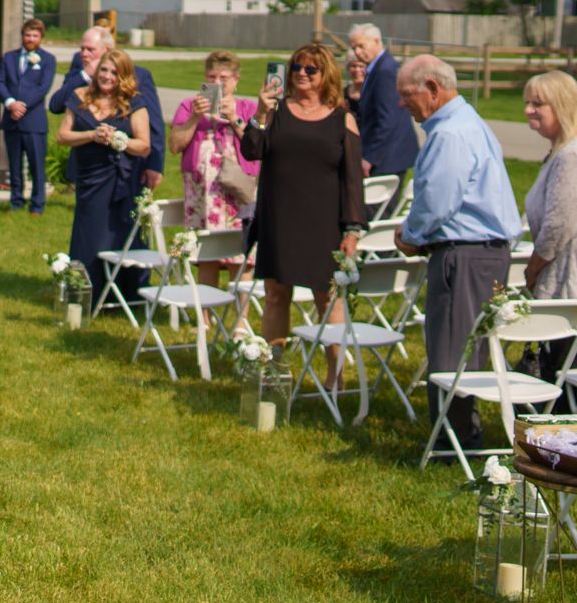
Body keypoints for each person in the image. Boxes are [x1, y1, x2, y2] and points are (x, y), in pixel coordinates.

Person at [396, 54, 522, 449]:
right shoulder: (469, 122)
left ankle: (454, 445)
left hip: (464, 255)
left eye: (407, 94)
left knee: (454, 350)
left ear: (432, 89)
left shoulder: (450, 133)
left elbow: (437, 199)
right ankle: (464, 436)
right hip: (484, 254)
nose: (402, 104)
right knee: (472, 347)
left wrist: (411, 234)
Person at [240, 44, 364, 357]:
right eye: (296, 67)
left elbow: (352, 181)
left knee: (328, 298)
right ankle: (273, 369)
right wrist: (260, 111)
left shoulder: (342, 119)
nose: (301, 75)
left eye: (311, 69)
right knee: (276, 295)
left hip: (323, 225)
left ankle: (335, 377)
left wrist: (352, 230)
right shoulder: (276, 111)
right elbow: (251, 150)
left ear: (327, 75)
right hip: (279, 219)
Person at [57, 49, 152, 301]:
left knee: (117, 234)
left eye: (113, 72)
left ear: (123, 76)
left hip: (120, 181)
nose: (107, 76)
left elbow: (144, 145)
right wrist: (91, 135)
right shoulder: (79, 96)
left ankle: (121, 296)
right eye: (104, 70)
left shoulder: (135, 103)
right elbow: (62, 136)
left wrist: (118, 140)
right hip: (89, 180)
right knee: (88, 236)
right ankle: (85, 293)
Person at [522, 70, 577, 381]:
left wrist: (533, 268)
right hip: (572, 273)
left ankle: (567, 428)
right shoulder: (565, 151)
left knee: (564, 368)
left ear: (561, 105)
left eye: (538, 103)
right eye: (527, 102)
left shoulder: (574, 155)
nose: (528, 110)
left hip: (573, 277)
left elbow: (558, 226)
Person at [167, 51, 261, 286]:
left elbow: (258, 147)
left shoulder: (248, 107)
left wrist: (234, 117)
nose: (217, 83)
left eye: (224, 78)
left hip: (239, 192)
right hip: (202, 193)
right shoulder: (190, 106)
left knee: (241, 256)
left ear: (236, 80)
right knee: (206, 254)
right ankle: (206, 318)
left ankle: (240, 320)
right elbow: (175, 146)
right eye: (212, 77)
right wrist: (195, 118)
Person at [51, 26, 165, 193]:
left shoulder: (139, 75)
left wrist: (155, 164)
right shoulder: (79, 72)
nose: (84, 54)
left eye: (90, 50)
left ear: (108, 50)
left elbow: (154, 123)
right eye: (82, 49)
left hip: (125, 167)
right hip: (87, 166)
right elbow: (55, 106)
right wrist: (84, 76)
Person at [0, 18, 55, 214]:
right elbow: (0, 83)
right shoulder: (9, 57)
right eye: (27, 35)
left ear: (40, 38)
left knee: (36, 165)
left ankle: (37, 204)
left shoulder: (47, 60)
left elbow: (43, 88)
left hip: (34, 121)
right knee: (14, 165)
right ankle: (16, 201)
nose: (30, 39)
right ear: (22, 36)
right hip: (11, 120)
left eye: (34, 36)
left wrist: (23, 106)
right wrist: (10, 103)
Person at [347, 24, 417, 184]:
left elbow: (388, 119)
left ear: (377, 41)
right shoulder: (378, 68)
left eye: (361, 46)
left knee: (376, 209)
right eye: (354, 47)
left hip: (386, 159)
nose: (357, 52)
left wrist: (370, 157)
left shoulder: (385, 71)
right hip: (386, 156)